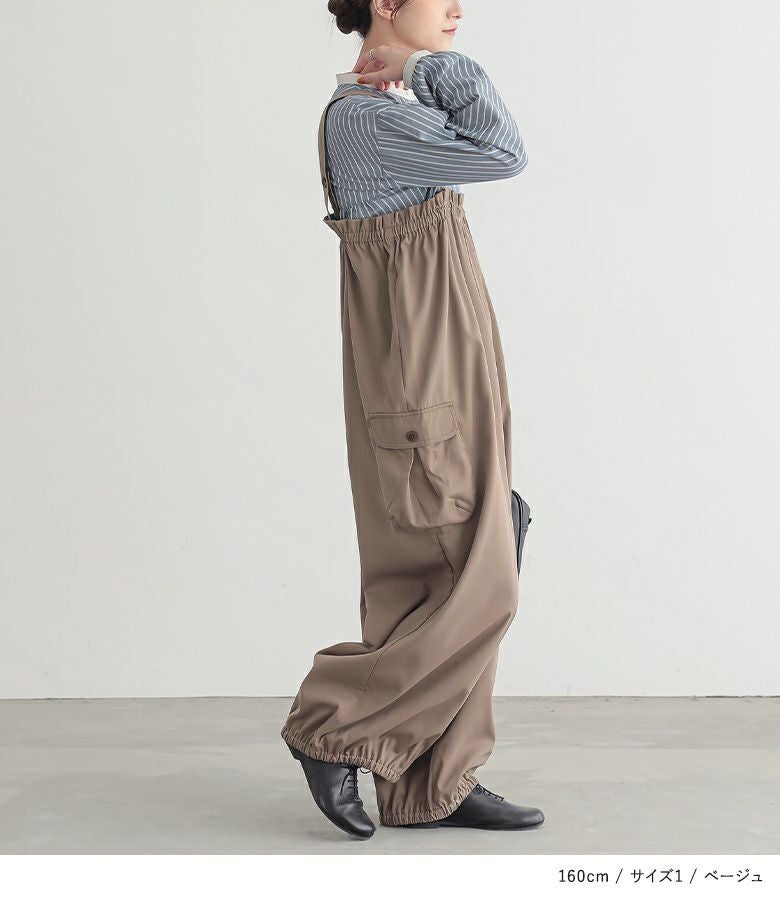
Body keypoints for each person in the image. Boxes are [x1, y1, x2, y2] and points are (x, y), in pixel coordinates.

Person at [281, 0, 544, 840]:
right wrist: (429, 67)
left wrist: (414, 75)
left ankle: (433, 782)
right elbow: (502, 150)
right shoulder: (364, 117)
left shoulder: (389, 106)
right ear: (386, 3)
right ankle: (334, 724)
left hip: (450, 354)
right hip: (422, 365)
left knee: (449, 566)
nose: (459, 7)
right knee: (474, 565)